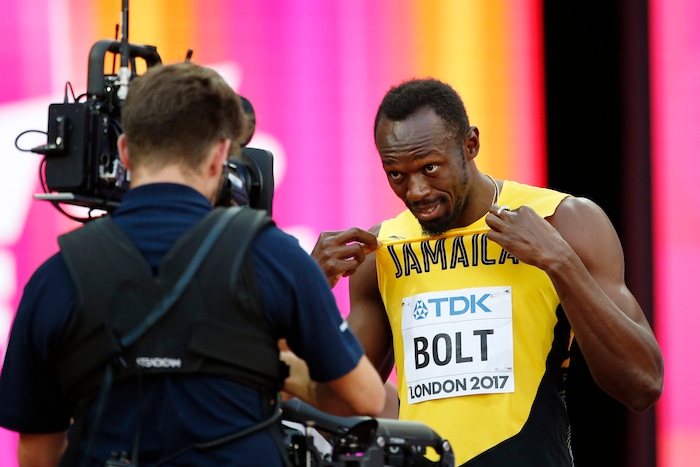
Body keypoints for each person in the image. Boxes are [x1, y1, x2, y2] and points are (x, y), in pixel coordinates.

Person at [0, 62, 384, 467]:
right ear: (221, 155)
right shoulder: (275, 255)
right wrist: (275, 370)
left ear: (125, 151)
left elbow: (37, 453)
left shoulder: (56, 278)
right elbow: (368, 397)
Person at [311, 77, 664, 466]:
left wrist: (559, 263)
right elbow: (337, 409)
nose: (416, 191)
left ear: (470, 144)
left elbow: (643, 384)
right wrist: (307, 292)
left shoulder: (562, 221)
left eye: (430, 168)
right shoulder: (385, 251)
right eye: (396, 173)